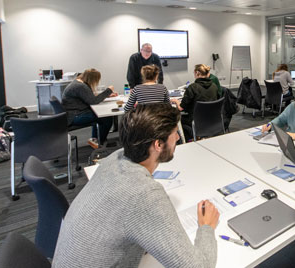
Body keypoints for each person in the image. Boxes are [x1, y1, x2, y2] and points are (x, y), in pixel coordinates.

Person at [52, 104, 220, 267]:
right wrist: (206, 226)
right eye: (175, 133)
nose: (178, 138)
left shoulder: (114, 159)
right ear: (158, 145)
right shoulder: (143, 194)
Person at [62, 68, 117, 149]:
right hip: (75, 116)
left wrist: (106, 95)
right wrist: (108, 90)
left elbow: (88, 97)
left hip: (72, 113)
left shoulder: (78, 82)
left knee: (99, 115)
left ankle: (95, 140)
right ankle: (100, 142)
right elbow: (93, 101)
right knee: (105, 118)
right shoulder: (80, 86)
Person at [170, 64, 219, 141]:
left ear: (197, 73)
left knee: (177, 119)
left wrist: (176, 101)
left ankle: (189, 139)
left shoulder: (192, 87)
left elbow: (180, 108)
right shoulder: (214, 86)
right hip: (212, 119)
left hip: (196, 120)